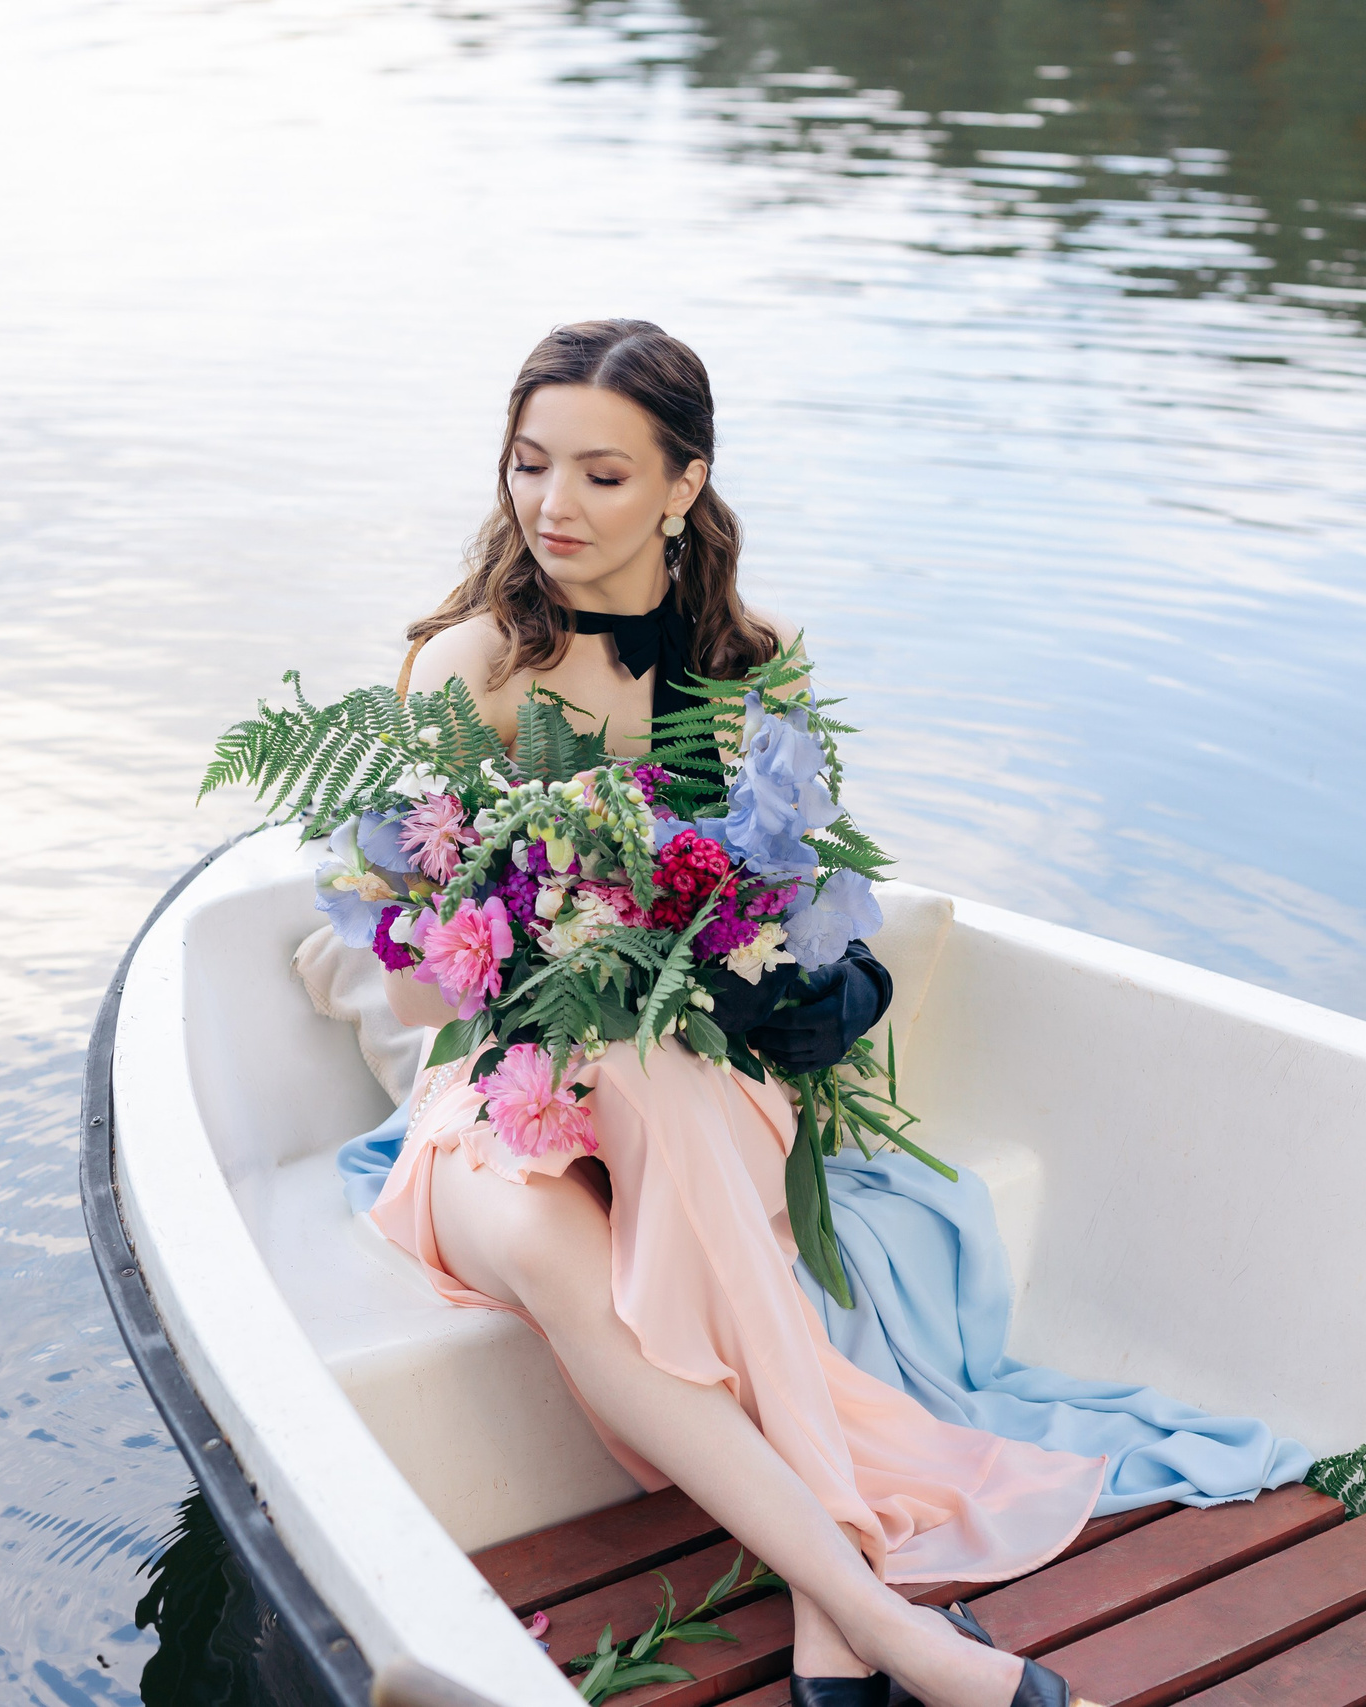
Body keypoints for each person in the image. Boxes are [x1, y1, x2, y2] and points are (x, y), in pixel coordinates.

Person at [365, 320, 1088, 1707]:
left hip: (690, 1080)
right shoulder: (474, 668)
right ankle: (876, 1626)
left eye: (603, 475)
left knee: (663, 1083)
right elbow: (419, 980)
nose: (554, 508)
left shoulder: (752, 666)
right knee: (552, 1226)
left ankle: (848, 1626)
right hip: (503, 1094)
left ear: (686, 485)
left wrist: (847, 987)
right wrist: (547, 912)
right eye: (529, 466)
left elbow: (809, 894)